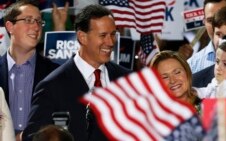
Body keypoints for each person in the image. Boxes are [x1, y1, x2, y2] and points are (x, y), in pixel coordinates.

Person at [22, 4, 132, 141]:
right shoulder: (52, 87)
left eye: (113, 34)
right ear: (82, 37)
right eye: (103, 35)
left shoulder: (128, 79)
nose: (110, 42)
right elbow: (33, 137)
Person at [0, 1, 59, 140]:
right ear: (10, 26)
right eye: (28, 20)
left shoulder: (56, 74)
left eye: (39, 21)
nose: (36, 26)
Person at [181, 0, 226, 73]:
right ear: (204, 22)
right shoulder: (192, 66)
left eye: (223, 18)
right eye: (210, 20)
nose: (216, 26)